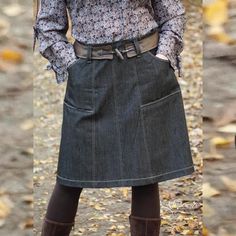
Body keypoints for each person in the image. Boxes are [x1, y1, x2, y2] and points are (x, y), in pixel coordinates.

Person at [33, 0, 195, 235]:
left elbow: (172, 13)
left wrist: (163, 57)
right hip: (88, 76)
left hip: (146, 71)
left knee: (146, 175)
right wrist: (72, 66)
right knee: (71, 176)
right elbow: (47, 25)